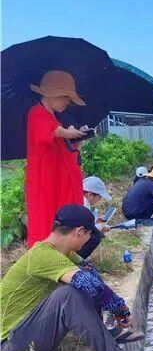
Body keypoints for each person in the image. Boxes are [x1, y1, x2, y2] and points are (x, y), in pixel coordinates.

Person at [0, 205, 148, 351]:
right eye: (89, 235)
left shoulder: (65, 254)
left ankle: (106, 331)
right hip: (11, 346)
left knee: (82, 282)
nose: (88, 240)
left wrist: (116, 311)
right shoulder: (41, 255)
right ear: (79, 232)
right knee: (69, 294)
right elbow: (87, 284)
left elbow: (93, 278)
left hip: (28, 335)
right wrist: (121, 309)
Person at [25, 70, 88, 247]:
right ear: (54, 95)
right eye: (66, 98)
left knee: (61, 218)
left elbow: (59, 144)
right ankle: (45, 256)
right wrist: (67, 132)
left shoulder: (53, 118)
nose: (68, 103)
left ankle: (61, 252)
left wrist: (76, 140)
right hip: (46, 180)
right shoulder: (37, 112)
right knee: (46, 216)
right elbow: (47, 133)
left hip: (58, 179)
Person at [78, 176, 113, 260]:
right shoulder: (84, 204)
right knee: (96, 236)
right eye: (99, 197)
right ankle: (77, 259)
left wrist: (96, 222)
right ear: (90, 194)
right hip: (71, 238)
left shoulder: (78, 199)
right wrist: (101, 226)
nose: (100, 200)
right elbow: (84, 229)